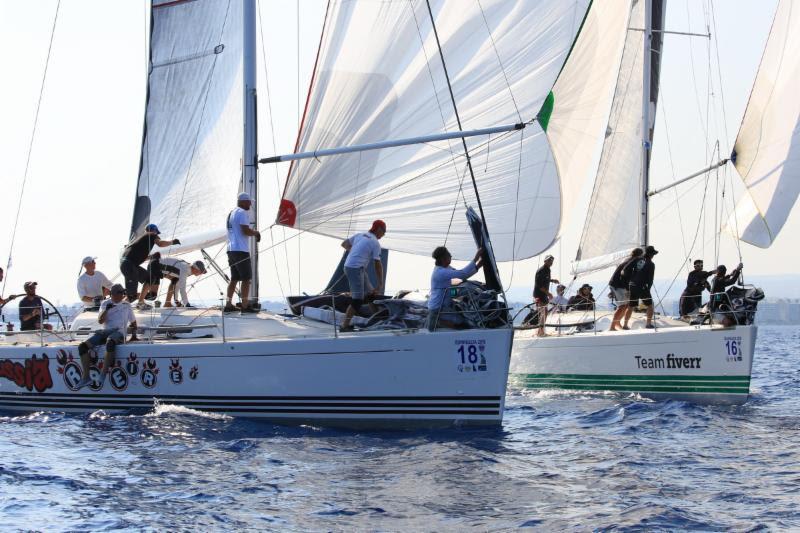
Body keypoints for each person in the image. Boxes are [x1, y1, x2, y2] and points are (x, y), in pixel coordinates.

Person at [75, 284, 138, 389]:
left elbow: (133, 322)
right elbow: (100, 320)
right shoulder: (105, 303)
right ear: (113, 294)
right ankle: (86, 377)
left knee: (110, 342)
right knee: (82, 347)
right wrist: (107, 310)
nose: (122, 295)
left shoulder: (126, 305)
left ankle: (102, 375)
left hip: (119, 333)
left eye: (123, 293)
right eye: (120, 293)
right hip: (105, 331)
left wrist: (134, 335)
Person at [339, 220, 386, 332]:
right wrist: (380, 283)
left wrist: (354, 251)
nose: (383, 235)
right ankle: (344, 326)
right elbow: (378, 265)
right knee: (357, 300)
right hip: (355, 269)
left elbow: (344, 244)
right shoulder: (375, 243)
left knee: (370, 294)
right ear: (379, 230)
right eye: (384, 232)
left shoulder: (360, 235)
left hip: (353, 267)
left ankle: (378, 320)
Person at [120, 223, 180, 310]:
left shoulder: (140, 241)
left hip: (129, 264)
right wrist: (172, 242)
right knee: (131, 296)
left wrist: (152, 256)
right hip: (130, 265)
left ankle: (140, 302)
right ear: (154, 231)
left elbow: (142, 258)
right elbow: (160, 244)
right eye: (156, 233)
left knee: (151, 278)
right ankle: (118, 308)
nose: (157, 235)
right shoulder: (151, 235)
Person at [427, 246, 484, 331]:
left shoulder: (445, 269)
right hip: (438, 309)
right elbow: (462, 273)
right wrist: (475, 259)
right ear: (444, 258)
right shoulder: (441, 272)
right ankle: (438, 322)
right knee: (462, 323)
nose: (451, 256)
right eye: (449, 255)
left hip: (444, 305)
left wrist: (477, 267)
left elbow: (462, 276)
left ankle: (443, 322)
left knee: (463, 316)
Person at [225, 192, 261, 313]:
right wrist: (256, 233)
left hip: (231, 250)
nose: (250, 204)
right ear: (243, 202)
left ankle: (228, 304)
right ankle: (245, 306)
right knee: (246, 279)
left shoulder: (231, 213)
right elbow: (245, 231)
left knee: (234, 278)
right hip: (240, 250)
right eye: (249, 201)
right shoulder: (242, 213)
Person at [609, 248, 643, 331]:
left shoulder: (630, 260)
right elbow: (624, 276)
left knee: (626, 305)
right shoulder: (632, 262)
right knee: (622, 306)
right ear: (639, 255)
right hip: (618, 286)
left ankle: (617, 323)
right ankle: (612, 327)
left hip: (619, 285)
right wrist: (628, 289)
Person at [627, 245, 658, 329]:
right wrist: (648, 289)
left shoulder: (637, 260)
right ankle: (648, 324)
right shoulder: (651, 264)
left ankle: (625, 325)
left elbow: (628, 269)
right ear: (651, 255)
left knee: (631, 305)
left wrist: (630, 281)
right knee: (650, 305)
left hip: (632, 285)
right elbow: (650, 279)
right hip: (642, 287)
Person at [533, 255, 559, 337]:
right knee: (543, 312)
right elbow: (540, 285)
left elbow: (545, 279)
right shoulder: (541, 271)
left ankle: (541, 330)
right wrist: (549, 294)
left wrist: (552, 280)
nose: (550, 262)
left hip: (543, 295)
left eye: (551, 261)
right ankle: (540, 332)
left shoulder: (548, 270)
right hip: (538, 295)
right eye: (549, 261)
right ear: (545, 261)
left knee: (545, 312)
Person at [710, 262, 744, 326]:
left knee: (733, 318)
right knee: (728, 323)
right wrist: (738, 270)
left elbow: (723, 279)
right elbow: (732, 281)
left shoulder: (714, 279)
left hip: (718, 307)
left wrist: (730, 274)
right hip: (714, 310)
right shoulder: (718, 281)